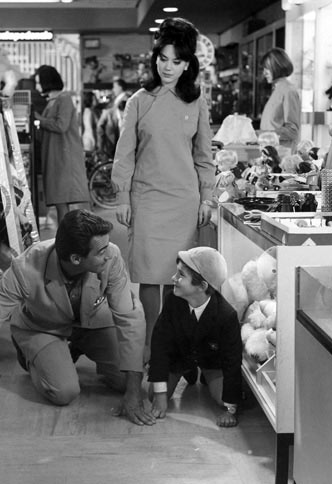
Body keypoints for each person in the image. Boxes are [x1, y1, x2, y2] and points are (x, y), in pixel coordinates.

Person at [0, 210, 156, 438]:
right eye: (100, 252)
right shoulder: (24, 270)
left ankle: (71, 354)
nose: (108, 254)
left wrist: (133, 391)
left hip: (94, 322)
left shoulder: (111, 255)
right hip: (43, 328)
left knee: (128, 380)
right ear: (76, 259)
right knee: (64, 392)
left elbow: (129, 318)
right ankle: (33, 357)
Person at [111, 17, 215, 362]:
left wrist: (208, 196)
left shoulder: (197, 101)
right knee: (149, 280)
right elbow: (124, 154)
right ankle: (152, 346)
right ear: (155, 58)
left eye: (177, 61)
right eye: (163, 59)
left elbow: (204, 156)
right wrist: (122, 196)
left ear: (188, 64)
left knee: (179, 280)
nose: (168, 67)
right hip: (147, 200)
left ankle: (176, 347)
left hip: (183, 201)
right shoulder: (139, 101)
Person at [148, 247, 242, 427]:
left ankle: (205, 377)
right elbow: (159, 345)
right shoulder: (172, 301)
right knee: (153, 394)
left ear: (202, 286)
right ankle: (187, 371)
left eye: (181, 275)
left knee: (224, 397)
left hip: (211, 361)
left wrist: (230, 409)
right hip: (180, 356)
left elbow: (232, 361)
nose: (173, 278)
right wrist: (160, 395)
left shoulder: (226, 316)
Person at [33, 65, 90, 224]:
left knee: (65, 199)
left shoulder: (64, 99)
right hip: (57, 157)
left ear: (47, 82)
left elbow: (61, 125)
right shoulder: (52, 101)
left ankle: (70, 238)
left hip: (64, 158)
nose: (37, 86)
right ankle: (65, 238)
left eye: (39, 82)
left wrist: (38, 119)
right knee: (60, 201)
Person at [259, 47, 301, 152]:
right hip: (271, 154)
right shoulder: (277, 90)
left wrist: (264, 134)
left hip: (282, 156)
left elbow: (292, 131)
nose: (264, 73)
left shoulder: (288, 91)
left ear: (277, 67)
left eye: (267, 68)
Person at [96, 77, 128, 160]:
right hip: (113, 131)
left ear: (120, 87)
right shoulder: (116, 99)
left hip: (118, 131)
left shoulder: (126, 98)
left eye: (115, 87)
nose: (113, 89)